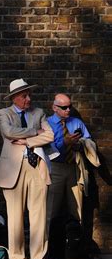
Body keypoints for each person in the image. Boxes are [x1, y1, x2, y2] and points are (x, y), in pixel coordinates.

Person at [0, 78, 54, 259]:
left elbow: (50, 135)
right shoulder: (4, 113)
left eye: (29, 95)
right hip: (13, 169)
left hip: (37, 166)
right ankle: (16, 257)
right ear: (14, 98)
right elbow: (9, 132)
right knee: (15, 215)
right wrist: (35, 132)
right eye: (24, 96)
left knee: (39, 214)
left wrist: (29, 141)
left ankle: (38, 257)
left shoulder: (39, 112)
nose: (28, 99)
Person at [46, 94, 92, 233]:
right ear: (54, 108)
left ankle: (76, 244)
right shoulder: (46, 124)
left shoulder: (76, 122)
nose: (68, 110)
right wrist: (65, 142)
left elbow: (89, 142)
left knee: (76, 207)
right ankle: (49, 246)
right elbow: (47, 148)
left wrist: (80, 144)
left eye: (69, 107)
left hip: (74, 167)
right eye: (64, 107)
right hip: (55, 167)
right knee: (51, 208)